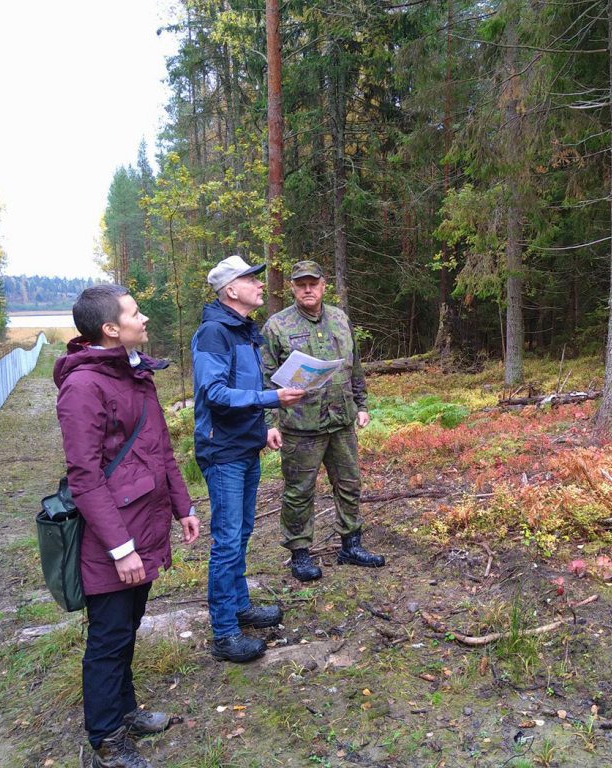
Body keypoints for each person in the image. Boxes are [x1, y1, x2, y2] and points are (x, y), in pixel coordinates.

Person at [55, 284, 200, 768]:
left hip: (146, 522)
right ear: (110, 329)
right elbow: (85, 477)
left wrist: (184, 507)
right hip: (113, 536)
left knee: (127, 625)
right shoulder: (83, 387)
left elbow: (159, 450)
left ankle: (125, 710)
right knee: (109, 635)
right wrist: (120, 548)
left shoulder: (135, 373)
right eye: (136, 313)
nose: (145, 320)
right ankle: (106, 739)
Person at [191, 255, 305, 663]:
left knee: (240, 534)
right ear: (230, 291)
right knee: (226, 541)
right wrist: (272, 398)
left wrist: (264, 426)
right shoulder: (214, 334)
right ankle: (224, 633)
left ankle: (239, 607)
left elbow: (244, 389)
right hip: (222, 452)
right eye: (250, 280)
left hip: (244, 445)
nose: (259, 285)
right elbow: (215, 394)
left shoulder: (243, 331)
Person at [261, 260, 386, 582]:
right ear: (292, 287)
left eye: (312, 283)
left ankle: (351, 544)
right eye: (300, 284)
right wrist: (268, 423)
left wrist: (362, 404)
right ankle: (300, 554)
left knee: (349, 484)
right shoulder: (277, 326)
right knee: (299, 491)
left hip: (341, 420)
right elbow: (263, 379)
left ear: (323, 285)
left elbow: (354, 366)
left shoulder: (340, 319)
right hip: (300, 425)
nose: (307, 289)